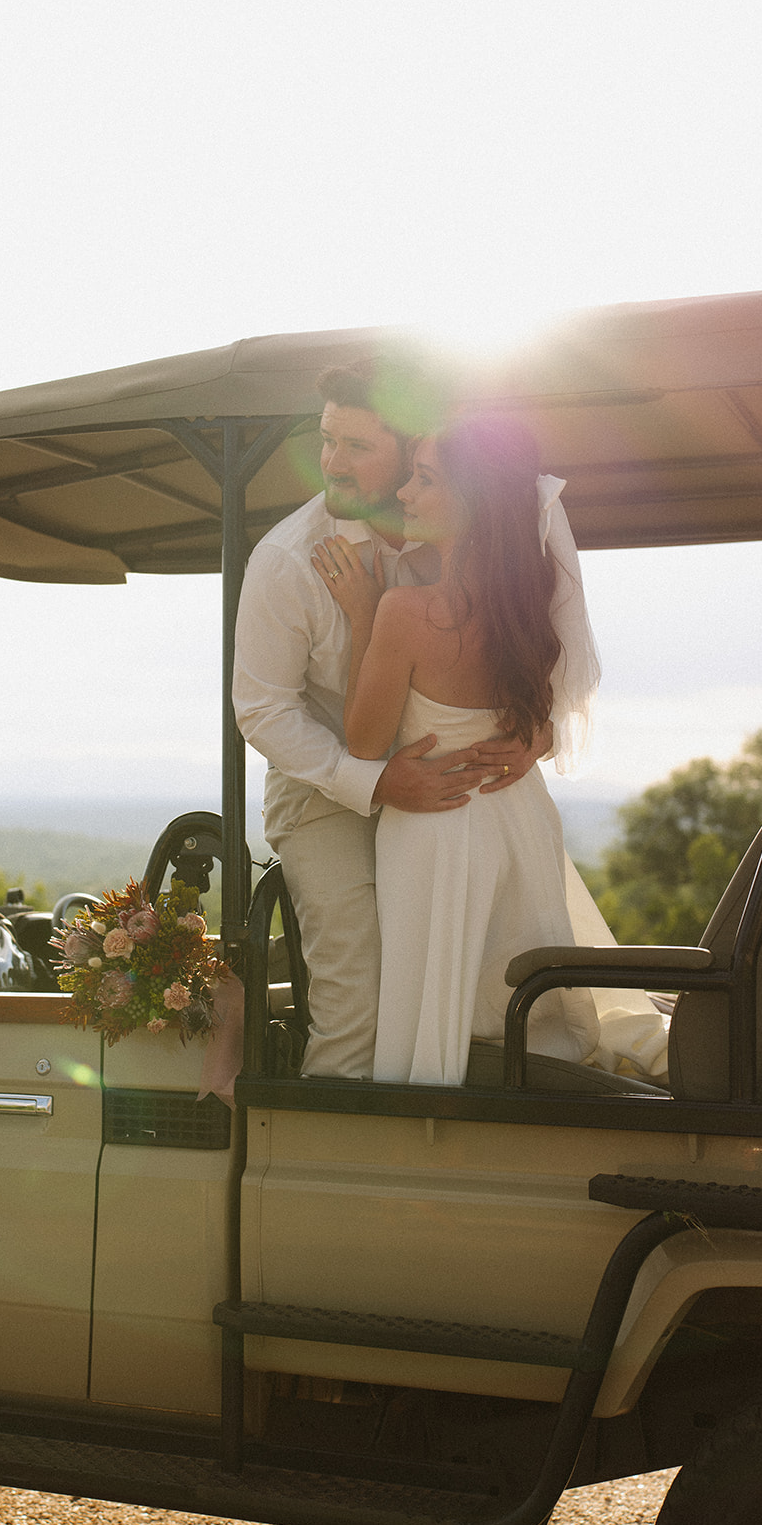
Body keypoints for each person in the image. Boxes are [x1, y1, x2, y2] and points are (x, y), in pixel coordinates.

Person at [312, 413, 654, 1084]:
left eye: (423, 479)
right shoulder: (529, 602)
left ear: (470, 504)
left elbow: (363, 740)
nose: (405, 494)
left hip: (435, 831)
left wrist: (360, 615)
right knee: (523, 993)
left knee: (438, 997)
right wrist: (537, 738)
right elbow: (552, 709)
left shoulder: (404, 612)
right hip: (517, 816)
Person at [233, 363, 550, 1080]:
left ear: (414, 457)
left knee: (466, 984)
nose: (332, 463)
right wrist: (375, 783)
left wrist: (537, 733)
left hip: (443, 794)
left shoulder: (451, 536)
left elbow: (532, 648)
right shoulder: (286, 560)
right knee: (360, 997)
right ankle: (324, 1176)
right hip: (325, 796)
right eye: (326, 440)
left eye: (357, 447)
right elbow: (261, 709)